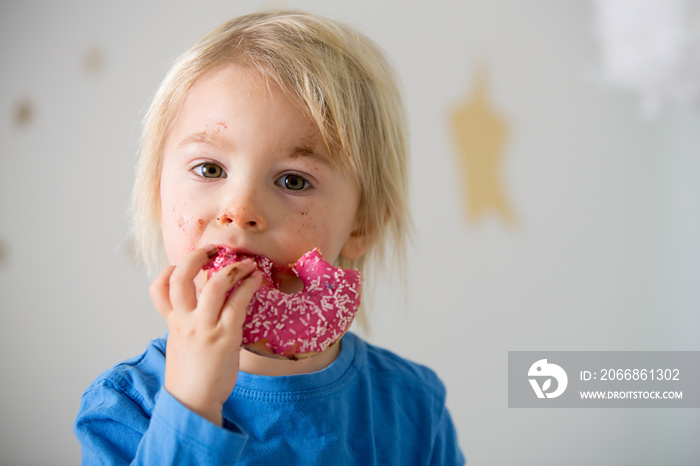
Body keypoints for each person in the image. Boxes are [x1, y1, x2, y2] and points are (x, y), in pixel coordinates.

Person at [74, 10, 465, 465]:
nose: (239, 211)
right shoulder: (124, 408)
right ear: (158, 197)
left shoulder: (413, 407)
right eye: (210, 169)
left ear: (362, 226)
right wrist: (191, 407)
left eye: (293, 181)